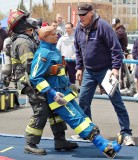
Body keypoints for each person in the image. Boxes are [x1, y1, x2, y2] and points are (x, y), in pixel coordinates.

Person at [30, 25, 123, 159]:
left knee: (83, 117)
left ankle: (106, 146)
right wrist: (52, 94)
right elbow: (35, 77)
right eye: (53, 34)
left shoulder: (54, 50)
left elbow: (58, 73)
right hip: (57, 96)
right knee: (77, 120)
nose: (57, 35)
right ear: (44, 37)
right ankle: (105, 147)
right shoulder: (43, 53)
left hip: (64, 92)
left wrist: (69, 85)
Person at [7, 9, 78, 155]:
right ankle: (30, 143)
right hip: (29, 83)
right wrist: (51, 69)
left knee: (54, 107)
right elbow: (30, 66)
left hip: (37, 81)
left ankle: (60, 140)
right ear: (21, 25)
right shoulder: (23, 43)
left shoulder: (29, 39)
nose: (30, 21)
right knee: (41, 110)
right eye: (26, 20)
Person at [74, 3, 135, 146]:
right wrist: (79, 68)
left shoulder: (103, 26)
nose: (81, 17)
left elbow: (116, 49)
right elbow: (78, 49)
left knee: (117, 102)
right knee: (83, 101)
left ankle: (126, 133)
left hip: (105, 71)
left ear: (91, 13)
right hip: (89, 71)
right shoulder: (79, 28)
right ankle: (88, 132)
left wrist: (115, 68)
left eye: (83, 14)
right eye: (79, 15)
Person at [112, 18, 128, 89]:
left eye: (114, 25)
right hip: (118, 53)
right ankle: (119, 85)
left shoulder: (120, 31)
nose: (114, 26)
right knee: (119, 70)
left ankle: (120, 86)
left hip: (120, 53)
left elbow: (112, 39)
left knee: (119, 70)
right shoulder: (118, 30)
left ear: (118, 23)